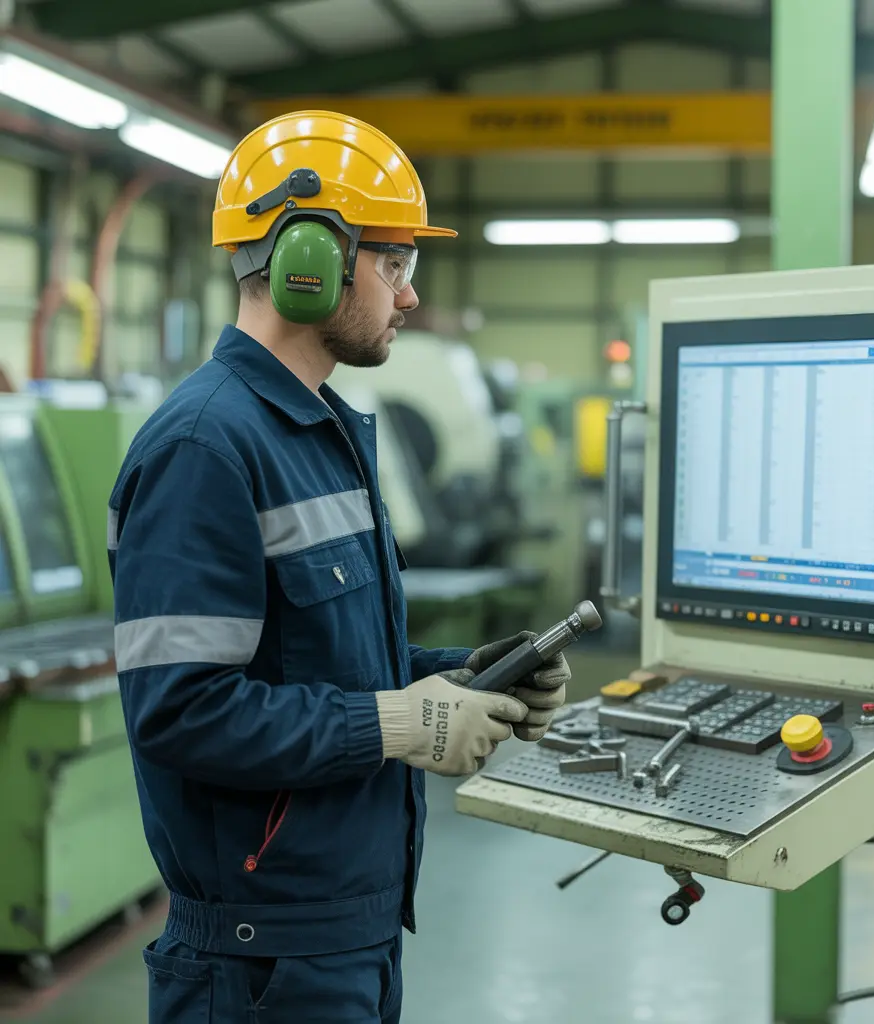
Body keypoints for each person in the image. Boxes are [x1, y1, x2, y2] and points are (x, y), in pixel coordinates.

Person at [108, 110, 571, 1024]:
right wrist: (400, 725)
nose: (407, 297)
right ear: (306, 261)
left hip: (341, 938)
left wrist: (459, 677)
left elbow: (325, 663)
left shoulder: (319, 434)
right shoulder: (207, 447)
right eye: (394, 263)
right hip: (261, 968)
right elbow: (179, 710)